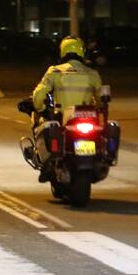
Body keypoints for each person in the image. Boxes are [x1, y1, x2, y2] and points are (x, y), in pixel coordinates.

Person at [30, 36, 103, 181]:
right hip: (88, 119)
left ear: (62, 51)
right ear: (82, 51)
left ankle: (46, 165)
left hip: (63, 118)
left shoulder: (55, 72)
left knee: (43, 126)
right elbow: (101, 99)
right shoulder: (92, 73)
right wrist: (98, 108)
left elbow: (38, 95)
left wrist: (40, 107)